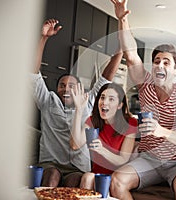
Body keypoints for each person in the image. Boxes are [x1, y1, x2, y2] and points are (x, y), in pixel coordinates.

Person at [110, 1, 176, 199]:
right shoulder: (146, 84)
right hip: (149, 159)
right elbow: (131, 54)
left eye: (166, 62)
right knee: (116, 181)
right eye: (157, 61)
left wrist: (160, 131)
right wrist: (122, 19)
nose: (160, 65)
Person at [31, 19, 122, 187]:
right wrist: (43, 38)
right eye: (62, 86)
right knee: (51, 177)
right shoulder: (47, 100)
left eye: (71, 86)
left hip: (77, 167)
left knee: (73, 185)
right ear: (56, 89)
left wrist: (121, 50)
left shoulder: (89, 101)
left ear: (79, 89)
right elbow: (34, 73)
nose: (66, 89)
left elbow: (107, 76)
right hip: (50, 164)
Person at [70, 82, 137, 190]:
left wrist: (102, 150)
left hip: (118, 177)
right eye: (102, 97)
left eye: (111, 99)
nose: (104, 102)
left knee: (91, 179)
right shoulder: (93, 121)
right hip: (97, 174)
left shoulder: (130, 123)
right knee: (87, 178)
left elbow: (123, 160)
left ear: (120, 105)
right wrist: (79, 110)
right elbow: (75, 145)